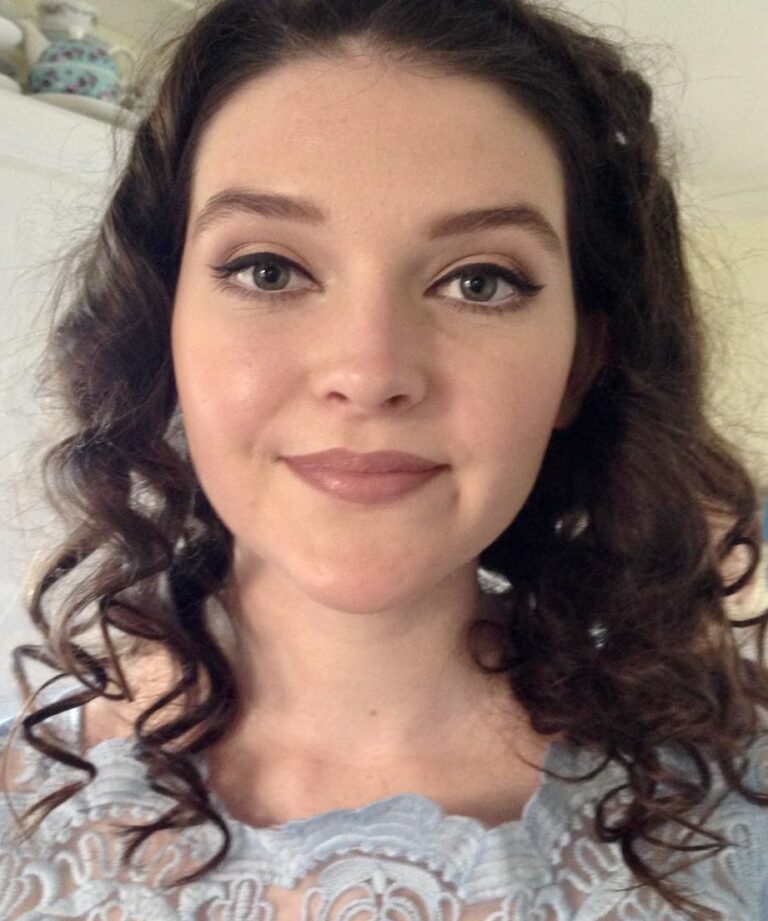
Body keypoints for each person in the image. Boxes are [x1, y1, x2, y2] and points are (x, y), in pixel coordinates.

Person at [1, 0, 767, 918]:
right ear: (162, 329)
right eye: (269, 269)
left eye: (479, 280)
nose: (369, 374)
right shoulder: (23, 803)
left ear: (580, 365)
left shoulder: (734, 815)